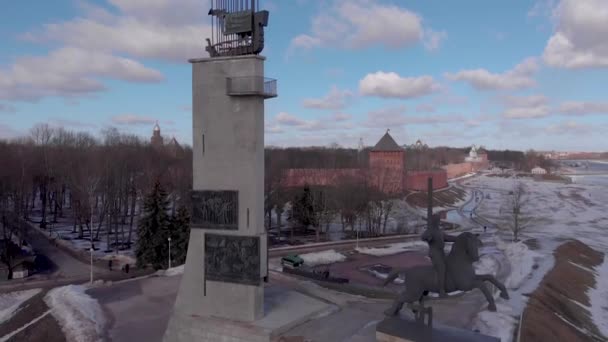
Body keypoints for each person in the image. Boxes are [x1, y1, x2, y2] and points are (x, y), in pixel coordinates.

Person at [421, 214, 458, 297]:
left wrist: (459, 238)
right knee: (441, 268)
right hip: (434, 253)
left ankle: (446, 285)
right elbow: (423, 237)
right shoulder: (430, 230)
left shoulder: (439, 231)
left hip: (441, 253)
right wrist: (428, 237)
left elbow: (447, 237)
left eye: (439, 221)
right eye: (437, 221)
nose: (439, 222)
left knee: (449, 266)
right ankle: (441, 290)